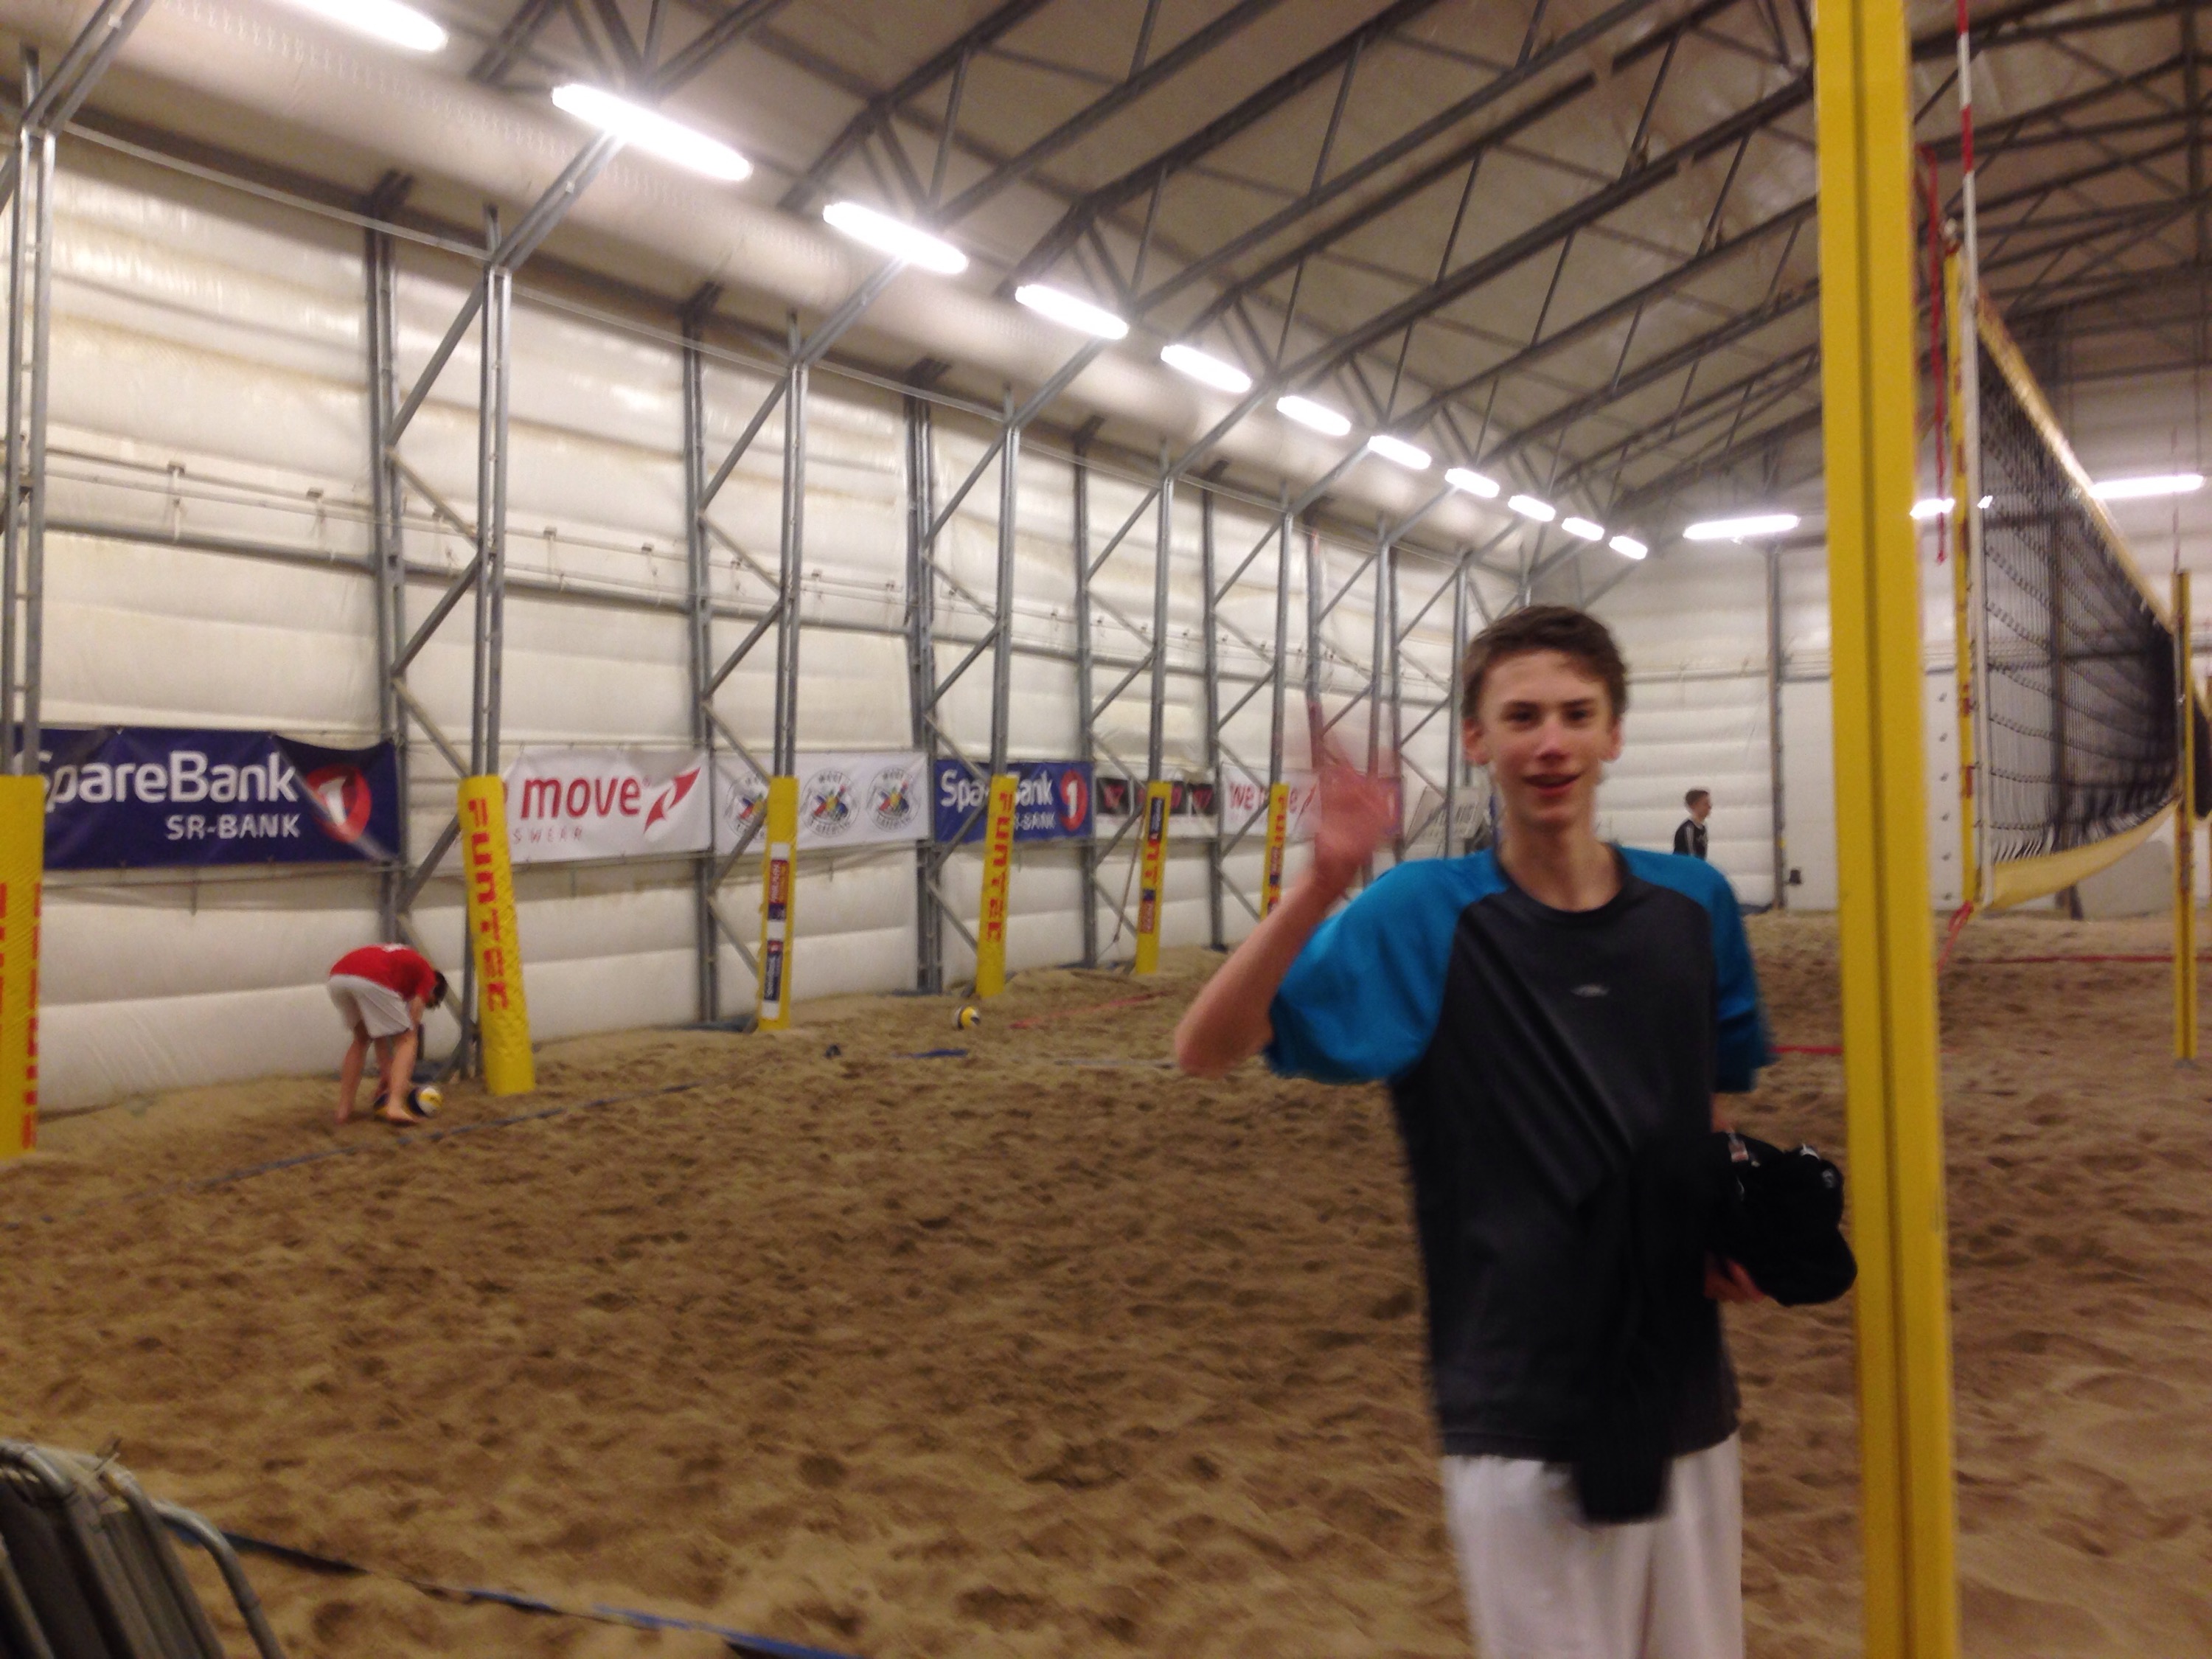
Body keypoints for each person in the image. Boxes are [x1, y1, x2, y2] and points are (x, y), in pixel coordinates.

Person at [1174, 605, 1770, 1659]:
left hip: (1683, 1395)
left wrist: (1731, 1220)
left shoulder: (1695, 906)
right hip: (1517, 1408)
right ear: (1477, 739)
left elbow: (1706, 1109)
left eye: (1576, 714)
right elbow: (1206, 1047)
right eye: (1523, 716)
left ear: (1613, 732)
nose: (1552, 742)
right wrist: (1323, 881)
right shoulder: (1421, 913)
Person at [327, 942, 448, 1126]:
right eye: (430, 1002)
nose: (425, 1004)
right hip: (372, 977)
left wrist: (387, 1073)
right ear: (436, 987)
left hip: (338, 977)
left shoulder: (400, 971)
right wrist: (401, 1079)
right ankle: (395, 1106)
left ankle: (344, 1111)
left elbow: (378, 1032)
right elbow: (414, 1018)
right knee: (408, 1039)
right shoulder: (428, 976)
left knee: (361, 1039)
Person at [1674, 788, 1711, 860]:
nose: (1709, 807)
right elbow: (1691, 856)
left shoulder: (1703, 827)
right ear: (1694, 806)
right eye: (1705, 804)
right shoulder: (1688, 829)